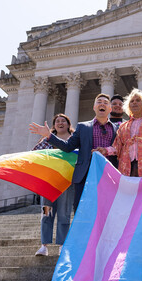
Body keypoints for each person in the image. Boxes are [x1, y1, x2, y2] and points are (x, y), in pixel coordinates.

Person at [30, 94, 117, 211]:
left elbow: (120, 150)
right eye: (99, 102)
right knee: (82, 212)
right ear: (94, 107)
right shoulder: (83, 127)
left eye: (106, 103)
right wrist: (49, 135)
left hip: (108, 175)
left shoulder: (117, 129)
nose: (102, 104)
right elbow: (68, 146)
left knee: (107, 211)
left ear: (110, 108)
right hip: (85, 175)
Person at [31, 114, 76, 256]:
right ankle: (44, 245)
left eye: (63, 121)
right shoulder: (46, 140)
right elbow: (34, 155)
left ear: (69, 125)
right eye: (57, 121)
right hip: (48, 183)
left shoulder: (74, 140)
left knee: (64, 214)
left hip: (67, 183)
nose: (60, 123)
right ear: (54, 125)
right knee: (46, 213)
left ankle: (62, 244)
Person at [98, 89, 142, 176]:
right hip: (127, 168)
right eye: (132, 101)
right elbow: (117, 147)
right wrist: (105, 150)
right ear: (129, 106)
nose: (134, 103)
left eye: (138, 100)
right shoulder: (123, 126)